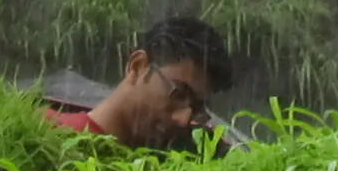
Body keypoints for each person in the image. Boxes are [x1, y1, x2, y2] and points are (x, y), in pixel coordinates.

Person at [44, 16, 234, 149]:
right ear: (137, 66)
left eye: (196, 108)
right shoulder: (46, 134)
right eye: (179, 94)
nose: (183, 119)